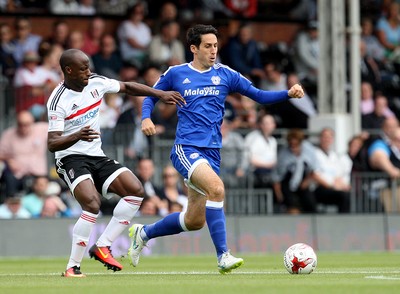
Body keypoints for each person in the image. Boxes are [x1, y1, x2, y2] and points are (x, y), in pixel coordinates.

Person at [127, 24, 304, 274]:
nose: (213, 51)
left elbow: (259, 95)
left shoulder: (226, 74)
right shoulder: (176, 73)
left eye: (216, 46)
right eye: (208, 46)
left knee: (194, 221)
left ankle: (143, 233)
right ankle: (223, 256)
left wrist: (288, 93)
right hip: (186, 148)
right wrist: (146, 117)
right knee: (217, 189)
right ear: (193, 48)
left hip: (212, 152)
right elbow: (150, 95)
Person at [46, 48, 184, 278]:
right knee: (91, 204)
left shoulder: (96, 82)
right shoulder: (57, 100)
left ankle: (103, 245)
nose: (88, 72)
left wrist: (159, 94)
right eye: (83, 69)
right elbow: (52, 143)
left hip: (96, 155)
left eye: (88, 66)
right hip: (70, 157)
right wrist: (77, 135)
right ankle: (72, 267)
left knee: (136, 191)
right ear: (68, 71)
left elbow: (128, 86)